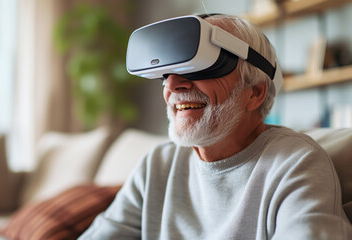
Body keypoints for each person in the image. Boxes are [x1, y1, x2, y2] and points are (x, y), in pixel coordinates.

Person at [79, 14, 352, 239]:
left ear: (254, 93)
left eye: (200, 68)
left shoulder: (296, 164)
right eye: (166, 74)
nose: (172, 86)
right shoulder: (158, 165)